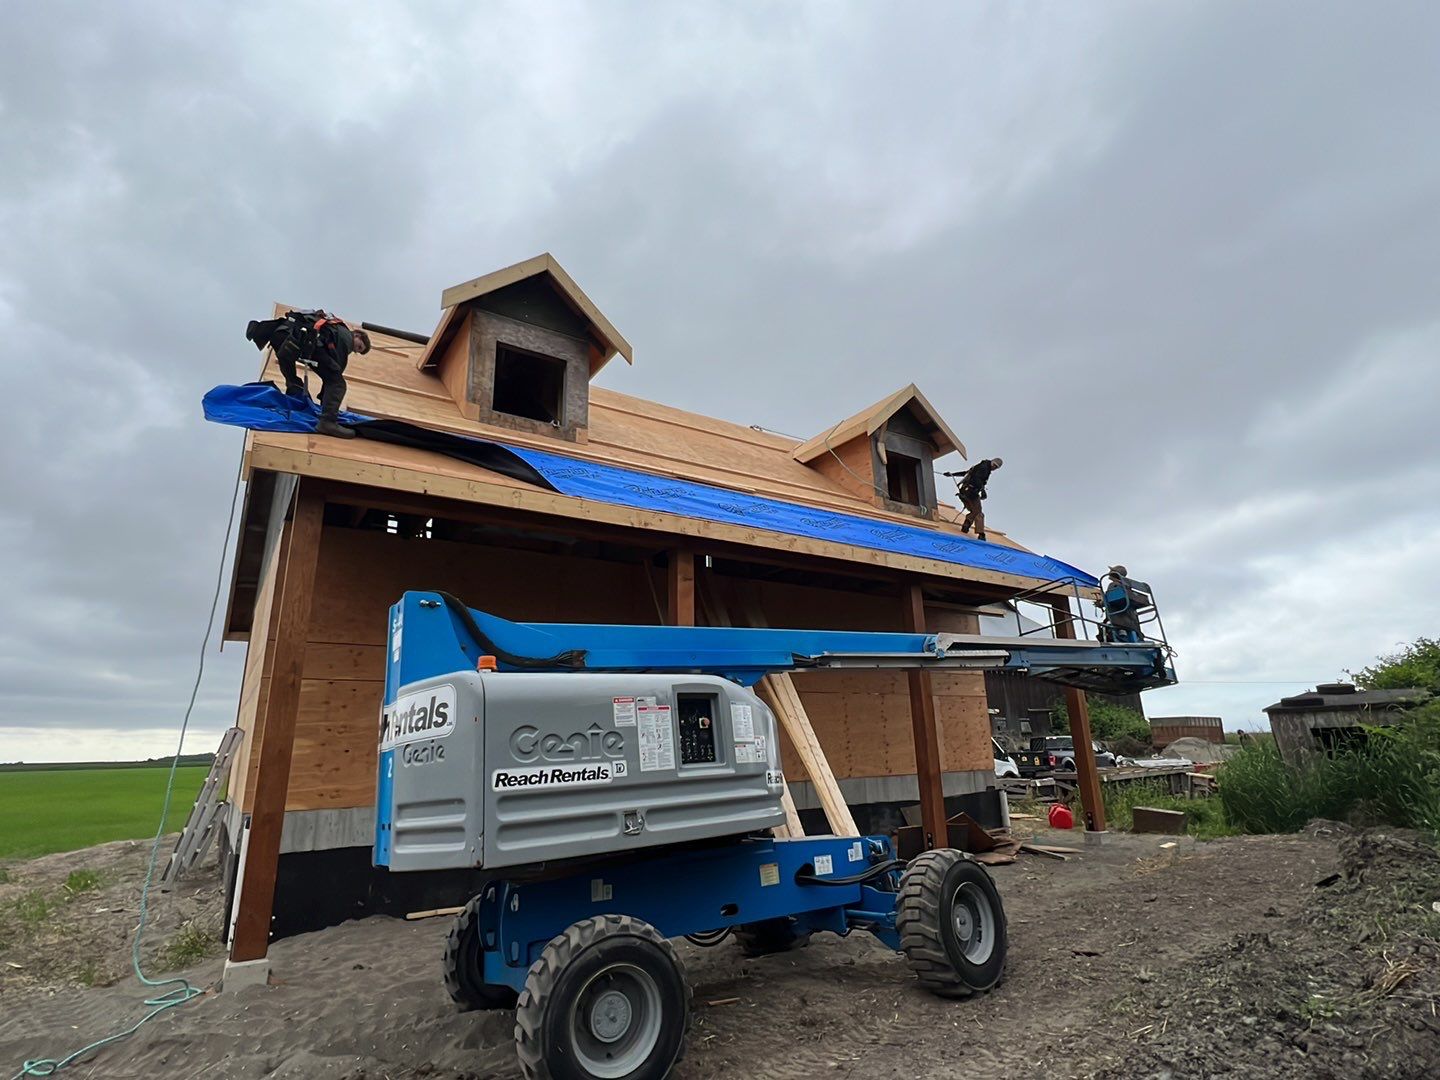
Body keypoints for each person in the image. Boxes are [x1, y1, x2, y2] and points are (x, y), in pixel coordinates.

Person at [244, 310, 371, 439]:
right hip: (308, 342)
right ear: (357, 335)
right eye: (359, 347)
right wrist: (328, 405)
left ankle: (295, 394)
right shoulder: (345, 337)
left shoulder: (332, 326)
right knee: (338, 383)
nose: (355, 351)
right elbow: (334, 371)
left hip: (285, 334)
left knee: (288, 365)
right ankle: (327, 422)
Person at [946, 457, 1003, 540]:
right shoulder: (984, 468)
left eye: (996, 467)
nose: (994, 468)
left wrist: (952, 474)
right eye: (994, 465)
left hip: (964, 491)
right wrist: (983, 490)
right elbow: (977, 479)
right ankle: (981, 534)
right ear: (992, 462)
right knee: (979, 513)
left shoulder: (980, 466)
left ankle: (967, 524)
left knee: (974, 511)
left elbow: (968, 473)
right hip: (971, 492)